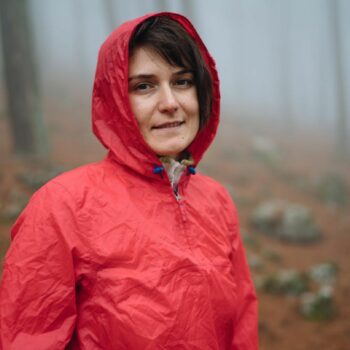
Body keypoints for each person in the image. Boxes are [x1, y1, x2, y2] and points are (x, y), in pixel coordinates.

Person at [0, 12, 258, 350]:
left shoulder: (217, 201)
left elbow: (241, 329)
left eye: (182, 81)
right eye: (144, 86)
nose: (170, 103)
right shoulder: (62, 206)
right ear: (116, 100)